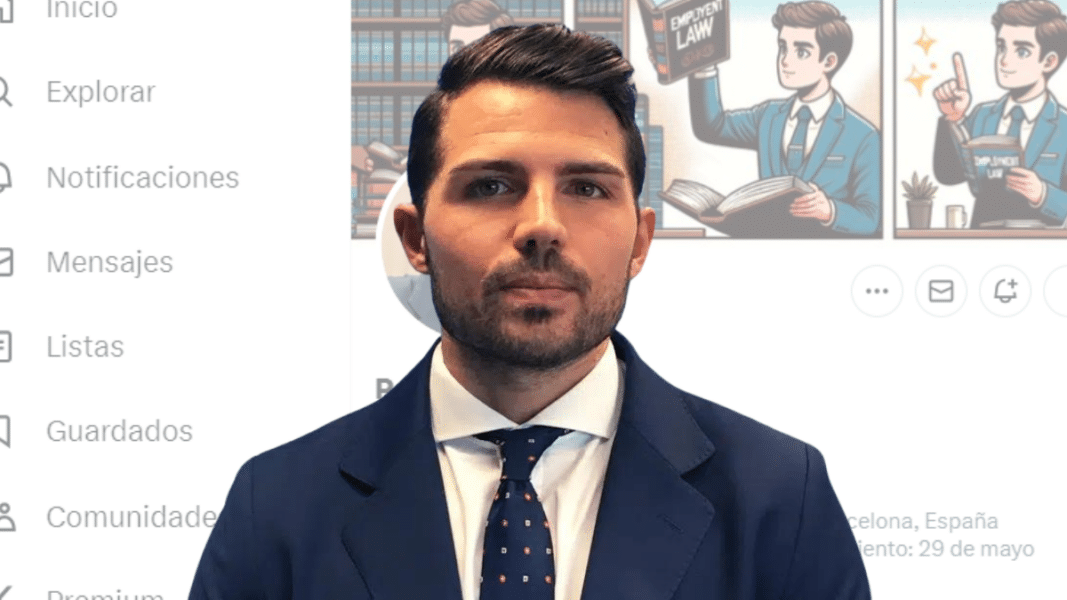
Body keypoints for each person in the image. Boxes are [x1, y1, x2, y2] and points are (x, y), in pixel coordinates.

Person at [190, 24, 870, 600]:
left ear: (639, 242)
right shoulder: (276, 506)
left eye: (586, 188)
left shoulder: (780, 498)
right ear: (414, 238)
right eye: (490, 186)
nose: (542, 225)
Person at [687, 1, 880, 236]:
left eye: (801, 52)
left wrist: (831, 210)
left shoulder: (863, 136)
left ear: (829, 62)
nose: (785, 60)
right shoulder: (768, 117)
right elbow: (712, 127)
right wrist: (703, 67)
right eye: (783, 47)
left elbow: (871, 218)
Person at [933, 0, 1067, 228]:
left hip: (1040, 240)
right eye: (1001, 46)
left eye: (1022, 51)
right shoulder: (983, 115)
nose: (1004, 60)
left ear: (1049, 61)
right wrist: (953, 118)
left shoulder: (1063, 125)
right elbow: (949, 175)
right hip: (983, 236)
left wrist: (1043, 194)